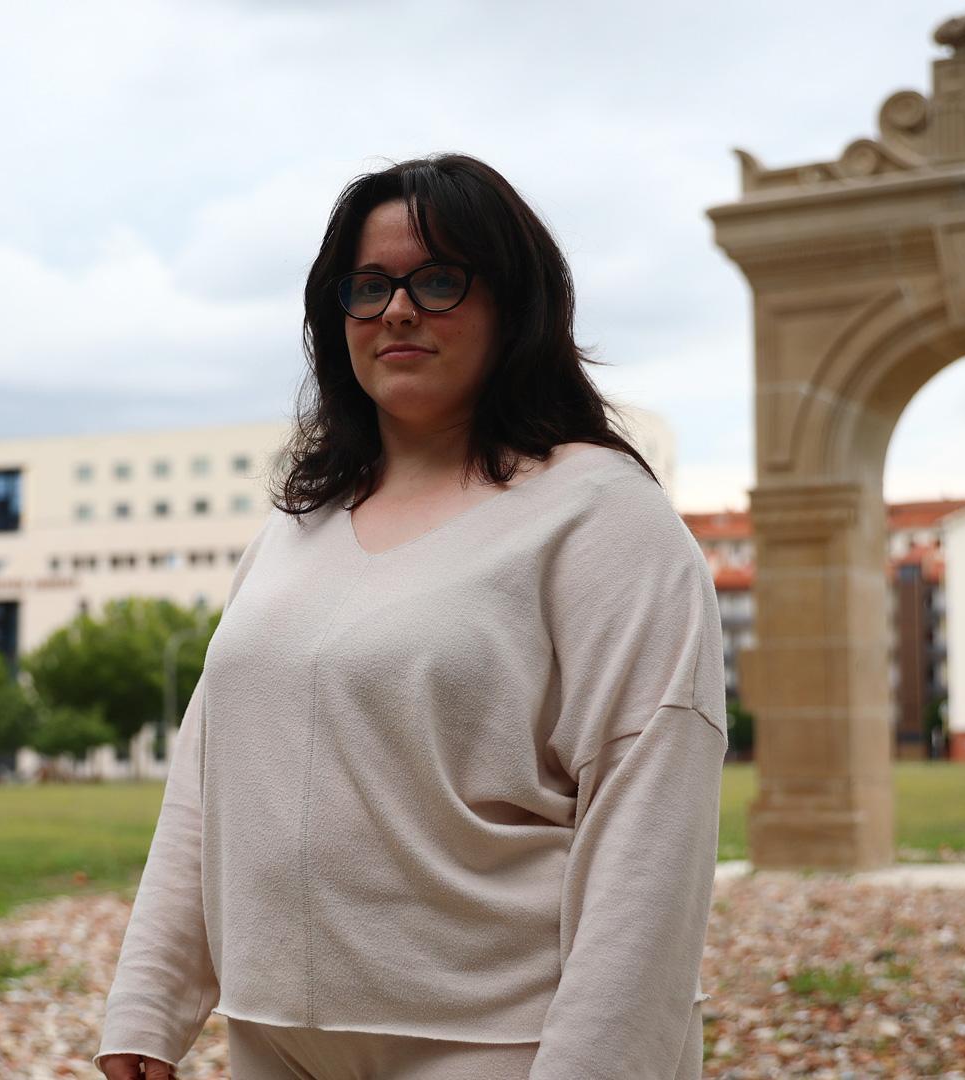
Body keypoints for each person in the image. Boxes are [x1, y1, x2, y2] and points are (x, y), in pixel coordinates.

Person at [96, 153, 726, 1080]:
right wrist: (148, 1004)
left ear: (516, 305)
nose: (397, 309)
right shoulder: (295, 525)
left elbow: (651, 813)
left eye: (437, 280)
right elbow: (208, 769)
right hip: (273, 1038)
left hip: (497, 1041)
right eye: (369, 285)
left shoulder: (600, 512)